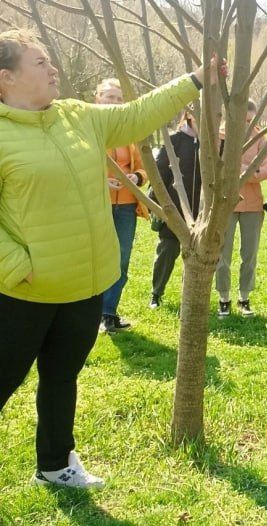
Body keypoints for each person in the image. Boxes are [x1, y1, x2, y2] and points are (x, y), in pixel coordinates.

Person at [0, 29, 218, 488]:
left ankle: (54, 466)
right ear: (7, 78)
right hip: (24, 292)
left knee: (62, 377)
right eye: (40, 63)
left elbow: (137, 114)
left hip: (84, 285)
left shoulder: (77, 116)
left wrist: (196, 79)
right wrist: (18, 267)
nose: (53, 69)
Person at [94, 78, 148, 334]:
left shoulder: (129, 133)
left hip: (126, 207)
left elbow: (143, 168)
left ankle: (108, 312)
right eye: (109, 97)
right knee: (97, 259)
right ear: (97, 98)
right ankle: (91, 312)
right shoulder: (89, 129)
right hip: (97, 205)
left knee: (121, 259)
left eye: (118, 98)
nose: (114, 102)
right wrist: (101, 182)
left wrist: (136, 177)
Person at [214, 100, 267, 317]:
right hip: (226, 203)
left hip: (253, 205)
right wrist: (249, 170)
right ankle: (224, 297)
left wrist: (245, 172)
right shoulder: (220, 136)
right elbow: (218, 168)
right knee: (223, 253)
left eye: (251, 120)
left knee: (249, 254)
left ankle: (244, 297)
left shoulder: (259, 136)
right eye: (244, 120)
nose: (247, 124)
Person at [149, 111, 201, 309]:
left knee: (197, 256)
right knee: (167, 250)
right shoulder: (174, 140)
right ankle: (156, 293)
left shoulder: (212, 144)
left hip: (201, 213)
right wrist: (158, 204)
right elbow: (159, 173)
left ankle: (190, 297)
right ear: (189, 115)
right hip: (175, 210)